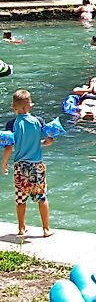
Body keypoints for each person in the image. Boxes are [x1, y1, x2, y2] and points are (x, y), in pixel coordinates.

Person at [1, 90, 54, 238]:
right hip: (37, 166)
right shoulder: (39, 121)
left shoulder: (11, 124)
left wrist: (4, 164)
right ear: (30, 106)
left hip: (20, 167)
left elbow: (9, 147)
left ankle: (21, 228)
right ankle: (46, 229)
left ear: (14, 107)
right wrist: (44, 141)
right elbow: (48, 141)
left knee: (20, 199)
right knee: (42, 198)